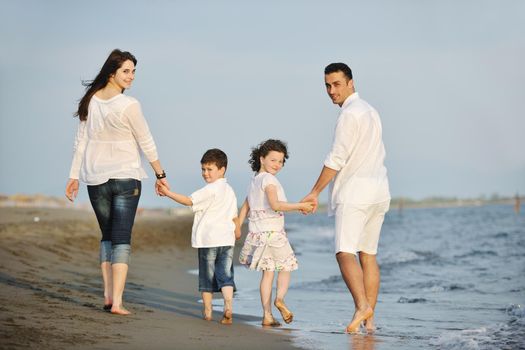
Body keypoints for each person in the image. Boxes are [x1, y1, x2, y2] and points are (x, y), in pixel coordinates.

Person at [65, 49, 169, 315]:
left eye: (134, 71)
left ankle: (108, 295)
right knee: (121, 238)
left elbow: (81, 143)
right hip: (125, 177)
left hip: (95, 178)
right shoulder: (129, 105)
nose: (131, 76)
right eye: (126, 71)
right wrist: (160, 175)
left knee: (108, 236)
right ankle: (118, 302)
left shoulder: (91, 101)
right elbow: (146, 140)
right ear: (112, 72)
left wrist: (74, 176)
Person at [301, 63, 390, 333]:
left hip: (356, 194)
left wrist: (314, 192)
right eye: (327, 86)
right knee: (368, 255)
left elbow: (337, 159)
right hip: (379, 191)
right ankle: (369, 321)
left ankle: (363, 307)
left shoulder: (350, 115)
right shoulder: (371, 111)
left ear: (351, 82)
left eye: (336, 84)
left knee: (344, 252)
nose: (331, 91)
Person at [237, 139, 314, 327]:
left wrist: (238, 225)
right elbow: (276, 205)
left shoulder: (254, 181)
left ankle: (267, 315)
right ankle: (279, 298)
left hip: (258, 235)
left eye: (280, 161)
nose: (277, 165)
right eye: (273, 160)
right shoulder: (269, 180)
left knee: (268, 274)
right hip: (274, 234)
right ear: (261, 158)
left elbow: (246, 206)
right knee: (286, 267)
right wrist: (301, 205)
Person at [157, 149, 238, 325]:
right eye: (203, 169)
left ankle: (208, 311)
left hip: (208, 239)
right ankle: (228, 306)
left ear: (222, 170)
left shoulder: (209, 190)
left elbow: (189, 201)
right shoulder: (230, 190)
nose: (205, 173)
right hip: (227, 239)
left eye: (209, 169)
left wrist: (168, 193)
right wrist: (237, 230)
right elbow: (234, 216)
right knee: (225, 275)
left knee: (207, 276)